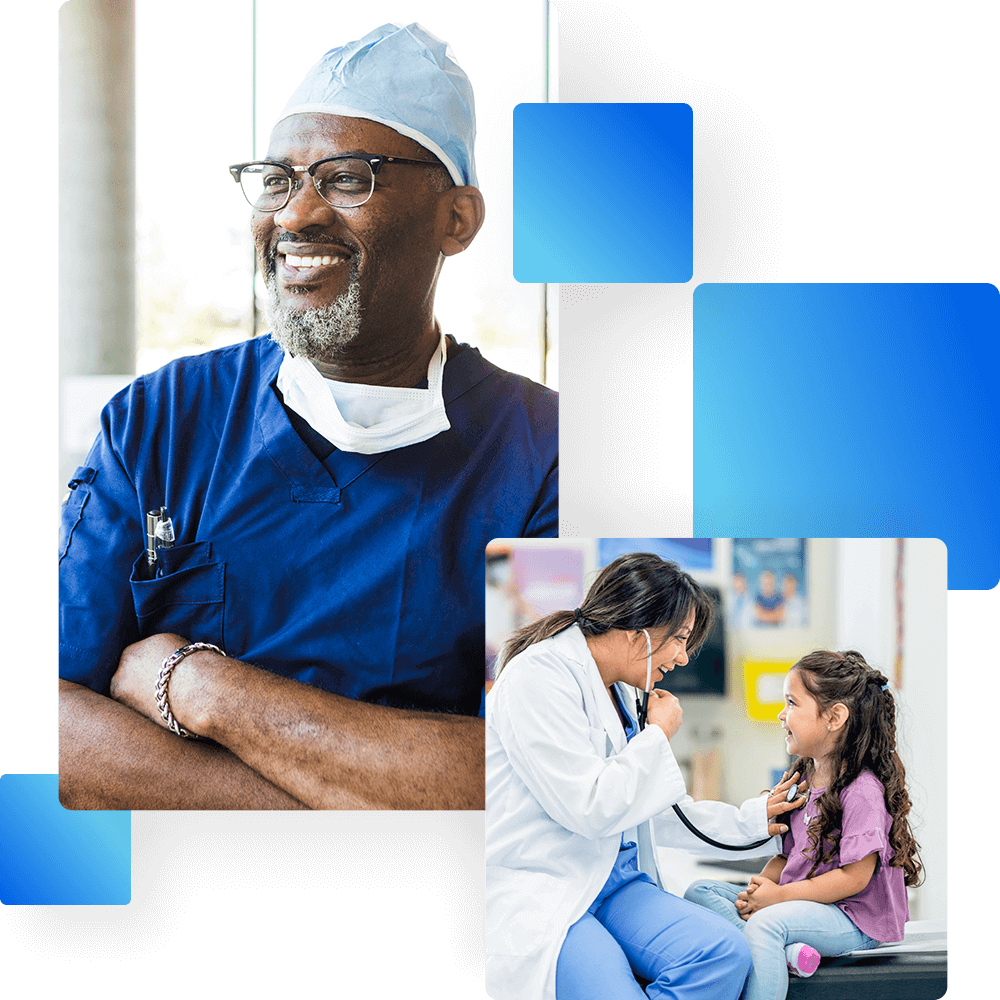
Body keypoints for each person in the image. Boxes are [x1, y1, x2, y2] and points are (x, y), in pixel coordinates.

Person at [57, 23, 558, 812]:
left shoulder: (543, 456)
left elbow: (535, 777)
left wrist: (200, 684)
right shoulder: (160, 422)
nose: (296, 216)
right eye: (275, 179)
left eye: (349, 178)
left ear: (456, 220)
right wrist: (335, 807)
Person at [485, 553, 808, 1000]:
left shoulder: (621, 692)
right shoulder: (537, 679)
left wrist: (753, 822)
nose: (681, 657)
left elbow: (650, 808)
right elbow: (592, 808)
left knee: (724, 953)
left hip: (615, 885)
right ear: (637, 629)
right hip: (549, 886)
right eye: (677, 639)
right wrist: (657, 735)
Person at [684, 650, 923, 1000]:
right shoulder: (803, 781)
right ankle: (788, 955)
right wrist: (760, 890)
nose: (782, 714)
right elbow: (786, 858)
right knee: (700, 893)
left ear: (834, 717)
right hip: (802, 904)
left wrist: (777, 898)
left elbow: (855, 877)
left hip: (854, 916)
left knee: (766, 924)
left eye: (792, 703)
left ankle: (774, 948)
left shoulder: (862, 791)